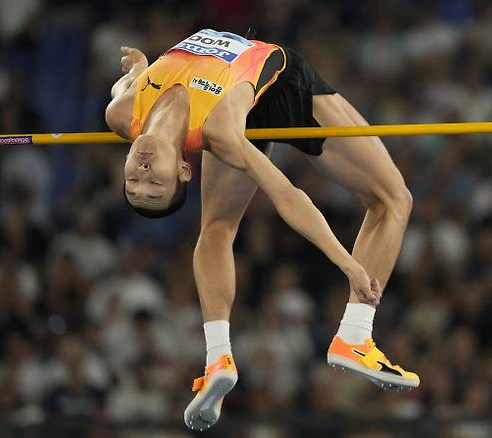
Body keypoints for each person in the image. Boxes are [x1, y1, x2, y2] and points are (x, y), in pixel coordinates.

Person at [105, 29, 418, 431]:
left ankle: (219, 358)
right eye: (156, 185)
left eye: (134, 183)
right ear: (185, 170)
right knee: (394, 198)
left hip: (243, 100)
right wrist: (348, 266)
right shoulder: (220, 133)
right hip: (280, 86)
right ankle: (355, 335)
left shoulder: (122, 114)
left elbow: (123, 84)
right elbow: (287, 195)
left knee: (217, 227)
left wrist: (140, 68)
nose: (143, 175)